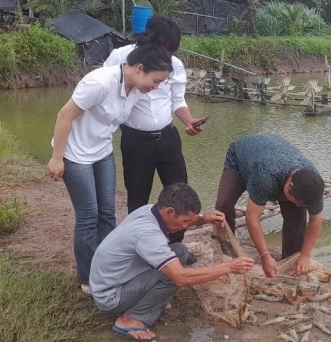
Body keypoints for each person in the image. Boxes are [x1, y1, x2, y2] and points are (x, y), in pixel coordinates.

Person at [47, 34, 174, 294]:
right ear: (139, 68)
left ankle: (111, 269)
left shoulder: (135, 90)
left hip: (102, 152)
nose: (156, 86)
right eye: (155, 80)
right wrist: (57, 158)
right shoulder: (99, 82)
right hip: (76, 154)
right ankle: (88, 277)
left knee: (107, 213)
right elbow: (64, 116)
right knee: (88, 216)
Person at [90, 183, 254, 342]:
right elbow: (181, 278)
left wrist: (204, 218)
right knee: (173, 275)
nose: (185, 226)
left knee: (179, 251)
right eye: (184, 221)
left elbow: (182, 222)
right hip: (111, 297)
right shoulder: (148, 234)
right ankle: (130, 319)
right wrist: (229, 267)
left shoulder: (149, 210)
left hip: (110, 282)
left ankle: (151, 301)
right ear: (169, 212)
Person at [104, 17, 206, 243]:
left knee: (181, 196)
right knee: (137, 197)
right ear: (148, 41)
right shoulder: (122, 58)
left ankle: (176, 246)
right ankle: (137, 245)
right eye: (164, 49)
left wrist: (188, 120)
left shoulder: (175, 66)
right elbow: (106, 93)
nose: (168, 56)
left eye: (172, 51)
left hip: (167, 139)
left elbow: (177, 101)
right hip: (135, 142)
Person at [215, 134, 325, 278]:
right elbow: (252, 217)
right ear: (290, 185)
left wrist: (305, 255)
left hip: (272, 155)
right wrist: (265, 256)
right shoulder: (266, 176)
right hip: (240, 159)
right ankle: (228, 252)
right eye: (296, 200)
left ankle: (290, 262)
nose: (298, 204)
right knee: (223, 204)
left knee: (297, 215)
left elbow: (316, 219)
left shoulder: (313, 184)